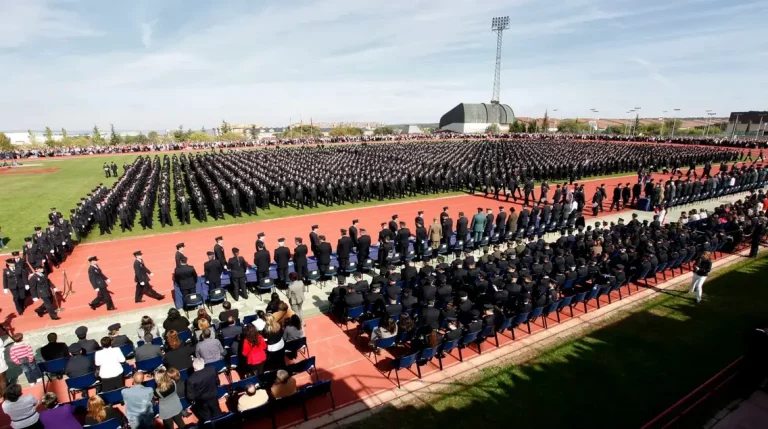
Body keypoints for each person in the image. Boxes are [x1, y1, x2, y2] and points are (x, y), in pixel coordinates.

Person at [186, 358, 222, 422]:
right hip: (213, 395)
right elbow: (217, 382)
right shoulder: (212, 369)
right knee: (217, 412)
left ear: (194, 367)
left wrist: (193, 401)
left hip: (201, 401)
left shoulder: (191, 379)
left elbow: (190, 396)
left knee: (206, 417)